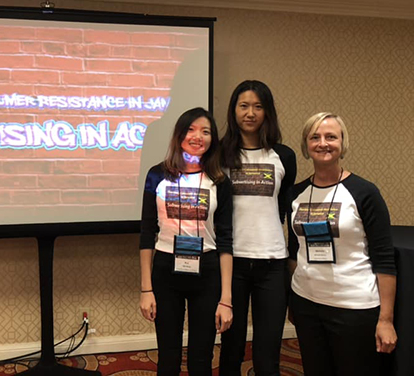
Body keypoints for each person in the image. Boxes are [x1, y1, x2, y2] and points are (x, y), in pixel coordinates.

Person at [288, 112, 397, 376]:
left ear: (342, 143)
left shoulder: (365, 192)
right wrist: (293, 301)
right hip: (307, 304)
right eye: (315, 137)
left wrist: (386, 319)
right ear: (306, 145)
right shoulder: (296, 194)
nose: (323, 143)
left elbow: (384, 258)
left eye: (331, 136)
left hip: (354, 308)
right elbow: (294, 251)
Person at [139, 107, 233, 376]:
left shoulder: (219, 181)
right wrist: (146, 289)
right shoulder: (157, 175)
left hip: (208, 270)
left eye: (205, 131)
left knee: (201, 358)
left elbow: (226, 240)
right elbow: (147, 233)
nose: (198, 136)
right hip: (166, 269)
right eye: (191, 129)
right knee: (168, 357)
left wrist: (226, 298)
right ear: (179, 134)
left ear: (212, 139)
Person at [218, 80, 296, 376]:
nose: (250, 113)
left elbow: (283, 208)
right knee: (231, 345)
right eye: (244, 106)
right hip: (231, 262)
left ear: (267, 112)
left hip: (272, 263)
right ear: (233, 110)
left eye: (258, 106)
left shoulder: (284, 156)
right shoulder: (220, 153)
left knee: (268, 349)